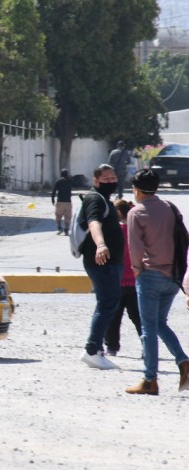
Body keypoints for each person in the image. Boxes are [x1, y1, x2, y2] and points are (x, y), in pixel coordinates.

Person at [124, 169, 189, 395]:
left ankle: (149, 379)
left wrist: (137, 272)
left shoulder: (136, 213)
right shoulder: (170, 208)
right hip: (173, 276)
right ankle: (183, 361)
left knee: (148, 328)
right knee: (160, 323)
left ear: (137, 190)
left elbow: (135, 247)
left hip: (150, 275)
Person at [79, 164, 125, 371]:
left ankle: (95, 349)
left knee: (108, 303)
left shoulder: (103, 199)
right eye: (106, 179)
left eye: (113, 178)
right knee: (107, 303)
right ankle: (92, 350)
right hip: (101, 261)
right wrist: (101, 244)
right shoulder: (95, 199)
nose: (111, 182)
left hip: (109, 262)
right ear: (96, 181)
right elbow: (94, 223)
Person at [103, 199, 142, 356]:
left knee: (113, 317)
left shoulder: (113, 232)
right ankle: (147, 345)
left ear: (117, 213)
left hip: (116, 282)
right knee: (139, 318)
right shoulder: (137, 231)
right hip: (135, 281)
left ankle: (112, 347)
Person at [51, 169, 73, 235]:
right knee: (68, 217)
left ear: (61, 174)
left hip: (60, 202)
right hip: (68, 202)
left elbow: (54, 191)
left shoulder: (58, 181)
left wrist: (52, 200)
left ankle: (60, 228)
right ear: (67, 174)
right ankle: (66, 229)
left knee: (58, 216)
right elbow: (76, 185)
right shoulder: (70, 181)